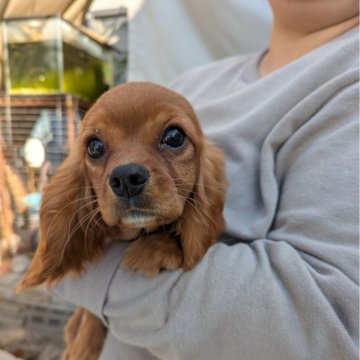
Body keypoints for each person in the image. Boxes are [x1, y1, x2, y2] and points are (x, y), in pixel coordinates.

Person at [55, 1, 359, 359]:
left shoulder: (347, 77)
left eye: (171, 138)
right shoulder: (192, 81)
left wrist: (78, 271)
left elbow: (327, 328)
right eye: (97, 148)